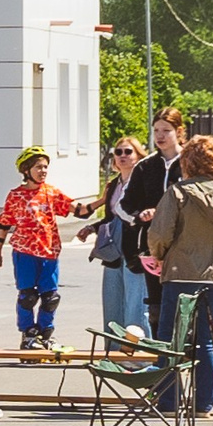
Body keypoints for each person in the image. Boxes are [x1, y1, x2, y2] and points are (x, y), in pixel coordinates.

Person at [151, 133, 213, 415]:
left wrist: (160, 255)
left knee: (171, 339)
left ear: (187, 163)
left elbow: (160, 233)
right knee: (206, 339)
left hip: (181, 273)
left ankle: (168, 401)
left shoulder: (179, 193)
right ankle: (204, 404)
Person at [0, 146, 90, 350]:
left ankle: (46, 333)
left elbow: (79, 211)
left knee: (50, 297)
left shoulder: (51, 192)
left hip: (49, 251)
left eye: (45, 167)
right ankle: (28, 334)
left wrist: (104, 199)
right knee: (28, 296)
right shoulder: (16, 195)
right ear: (26, 170)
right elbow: (4, 223)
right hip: (24, 251)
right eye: (38, 167)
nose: (43, 171)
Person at [119, 107, 189, 329]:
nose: (159, 136)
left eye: (166, 130)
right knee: (157, 307)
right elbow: (124, 205)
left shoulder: (191, 163)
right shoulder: (145, 166)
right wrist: (140, 216)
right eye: (156, 130)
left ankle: (187, 356)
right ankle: (162, 359)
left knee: (184, 304)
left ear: (179, 132)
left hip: (187, 246)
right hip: (153, 247)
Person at [81, 135, 147, 337]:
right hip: (113, 250)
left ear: (138, 156)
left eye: (128, 152)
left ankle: (140, 356)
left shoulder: (143, 182)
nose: (122, 156)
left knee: (135, 304)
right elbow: (111, 217)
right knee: (113, 302)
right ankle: (115, 352)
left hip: (135, 249)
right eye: (118, 152)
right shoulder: (113, 185)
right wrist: (91, 228)